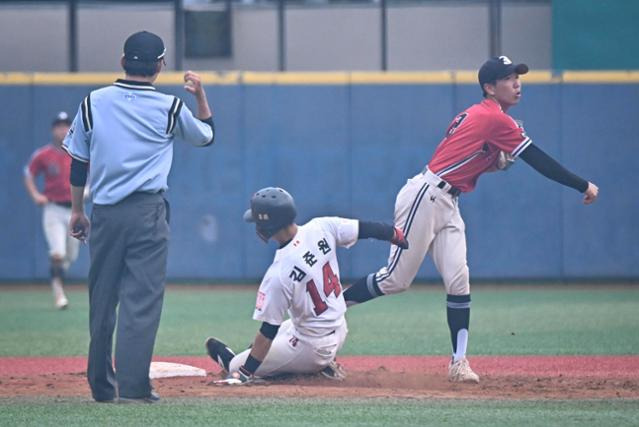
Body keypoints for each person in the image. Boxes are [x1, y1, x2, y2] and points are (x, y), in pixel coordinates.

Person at [343, 56, 599, 384]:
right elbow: (539, 161)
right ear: (490, 88)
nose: (517, 83)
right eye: (508, 78)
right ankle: (329, 308)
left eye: (517, 76)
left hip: (448, 200)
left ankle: (458, 362)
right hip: (425, 196)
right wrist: (583, 184)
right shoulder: (494, 118)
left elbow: (468, 160)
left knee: (459, 278)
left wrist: (494, 161)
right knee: (396, 280)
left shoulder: (482, 116)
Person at [63, 31, 215, 403]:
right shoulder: (170, 106)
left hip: (106, 214)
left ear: (122, 61)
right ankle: (133, 388)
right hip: (147, 213)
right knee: (141, 301)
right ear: (160, 66)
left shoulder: (93, 102)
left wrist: (78, 210)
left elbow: (79, 162)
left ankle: (101, 386)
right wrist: (200, 96)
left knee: (102, 299)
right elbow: (207, 137)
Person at [205, 187, 408, 384]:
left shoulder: (279, 272)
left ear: (266, 228)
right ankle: (315, 364)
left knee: (237, 364)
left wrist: (244, 373)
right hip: (338, 328)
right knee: (269, 341)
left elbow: (268, 331)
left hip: (312, 349)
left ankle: (313, 371)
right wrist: (393, 234)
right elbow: (365, 228)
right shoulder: (321, 226)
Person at [24, 112, 79, 310]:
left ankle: (57, 277)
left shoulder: (78, 150)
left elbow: (94, 174)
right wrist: (36, 195)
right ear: (52, 130)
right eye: (59, 126)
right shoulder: (43, 154)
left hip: (75, 210)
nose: (62, 130)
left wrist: (89, 190)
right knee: (58, 253)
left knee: (70, 256)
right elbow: (28, 174)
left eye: (66, 126)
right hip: (53, 209)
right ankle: (59, 294)